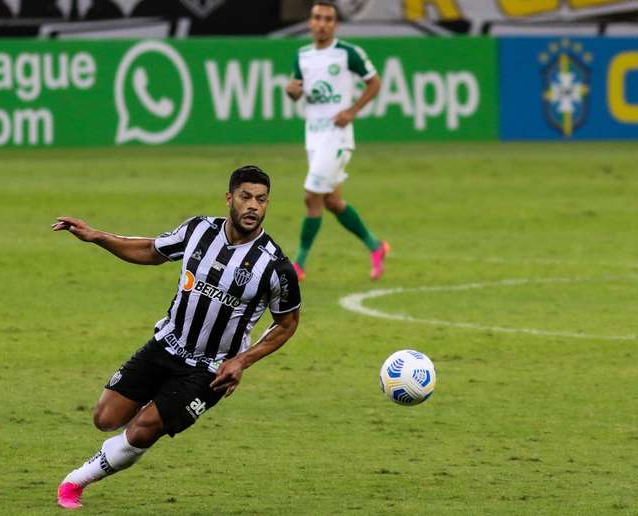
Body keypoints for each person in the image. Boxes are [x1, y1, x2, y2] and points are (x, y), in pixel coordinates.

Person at [52, 165, 301, 509]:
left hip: (210, 371)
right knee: (104, 418)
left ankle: (74, 483)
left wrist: (241, 361)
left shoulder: (275, 266)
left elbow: (286, 324)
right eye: (245, 197)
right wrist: (98, 236)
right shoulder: (198, 230)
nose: (253, 206)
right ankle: (154, 407)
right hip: (166, 344)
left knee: (142, 429)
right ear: (229, 198)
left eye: (261, 200)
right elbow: (150, 251)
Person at [285, 0, 388, 282]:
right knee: (331, 201)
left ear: (335, 24)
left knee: (311, 196)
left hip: (337, 136)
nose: (322, 23)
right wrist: (291, 90)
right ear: (310, 22)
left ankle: (299, 265)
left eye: (328, 19)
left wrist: (352, 111)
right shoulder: (302, 56)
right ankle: (376, 247)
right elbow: (298, 91)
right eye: (317, 17)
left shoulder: (347, 53)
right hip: (314, 134)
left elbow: (374, 81)